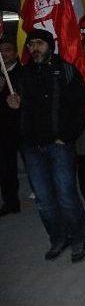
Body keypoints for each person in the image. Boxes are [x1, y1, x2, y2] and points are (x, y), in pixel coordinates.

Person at [6, 29, 85, 262]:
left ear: (49, 45)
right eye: (31, 44)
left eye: (39, 43)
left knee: (65, 194)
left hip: (59, 144)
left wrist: (67, 135)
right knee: (43, 198)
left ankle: (78, 237)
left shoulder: (66, 70)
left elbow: (80, 108)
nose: (34, 48)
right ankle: (58, 237)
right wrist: (13, 105)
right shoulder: (22, 75)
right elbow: (15, 110)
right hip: (32, 147)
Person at [0, 38, 22, 217]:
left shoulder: (23, 73)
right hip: (5, 128)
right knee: (6, 166)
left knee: (31, 163)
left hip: (22, 126)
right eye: (1, 51)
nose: (3, 54)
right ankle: (11, 201)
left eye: (7, 50)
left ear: (15, 53)